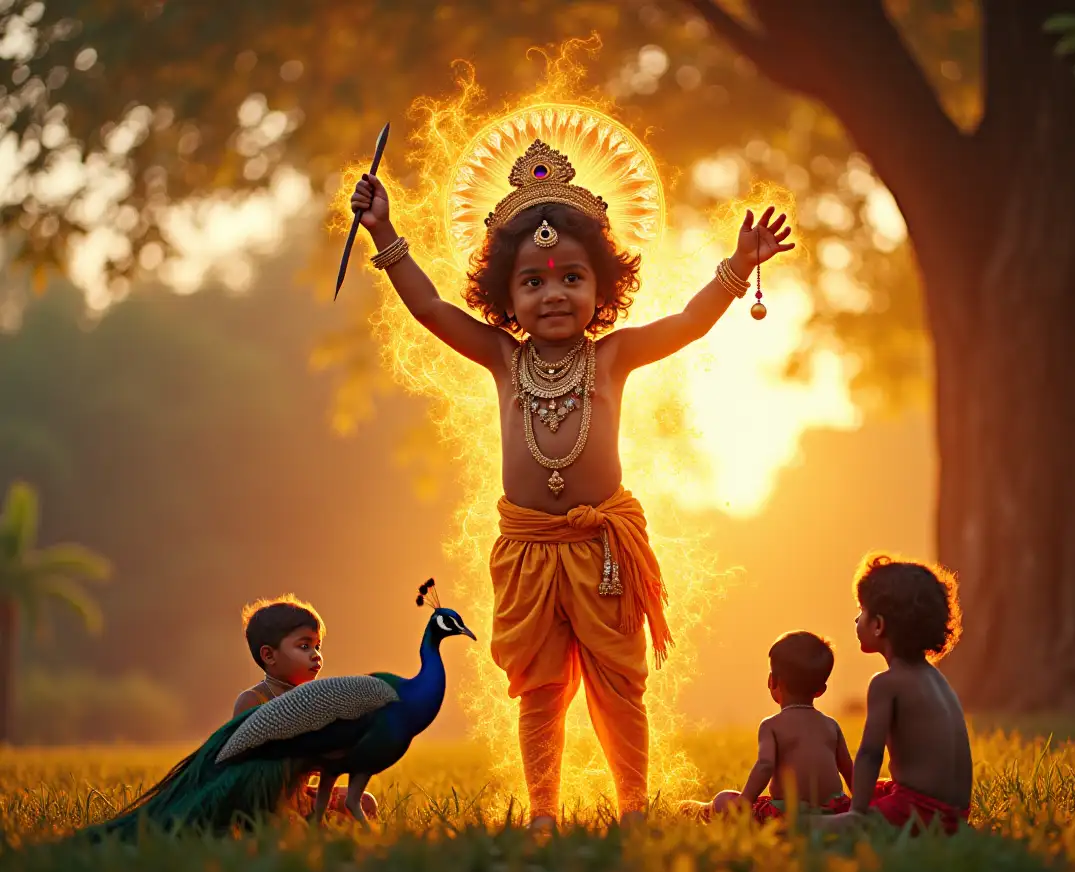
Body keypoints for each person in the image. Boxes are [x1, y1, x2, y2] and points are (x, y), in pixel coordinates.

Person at [349, 138, 794, 829]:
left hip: (604, 550)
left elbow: (687, 323)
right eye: (532, 282)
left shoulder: (613, 357)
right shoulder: (502, 357)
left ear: (601, 287)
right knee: (541, 689)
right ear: (506, 295)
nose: (552, 294)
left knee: (620, 685)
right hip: (527, 552)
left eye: (570, 279)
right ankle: (544, 812)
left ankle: (635, 809)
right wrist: (383, 230)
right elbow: (433, 309)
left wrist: (738, 267)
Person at [817, 553, 971, 835]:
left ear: (878, 625)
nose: (856, 618)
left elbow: (870, 754)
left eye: (861, 610)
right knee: (870, 790)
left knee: (811, 821)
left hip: (919, 812)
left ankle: (851, 817)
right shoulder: (937, 679)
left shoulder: (886, 683)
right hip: (954, 812)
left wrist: (858, 812)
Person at [680, 631, 853, 825]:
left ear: (772, 681)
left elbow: (765, 765)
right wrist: (862, 803)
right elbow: (849, 770)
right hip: (836, 810)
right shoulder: (831, 725)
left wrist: (745, 800)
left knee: (724, 800)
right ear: (821, 690)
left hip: (787, 814)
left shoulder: (771, 725)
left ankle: (705, 809)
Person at [233, 595, 377, 820]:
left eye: (317, 646)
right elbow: (245, 765)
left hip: (302, 797)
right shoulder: (253, 700)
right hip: (264, 801)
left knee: (365, 802)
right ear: (269, 655)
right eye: (304, 646)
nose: (316, 655)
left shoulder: (314, 701)